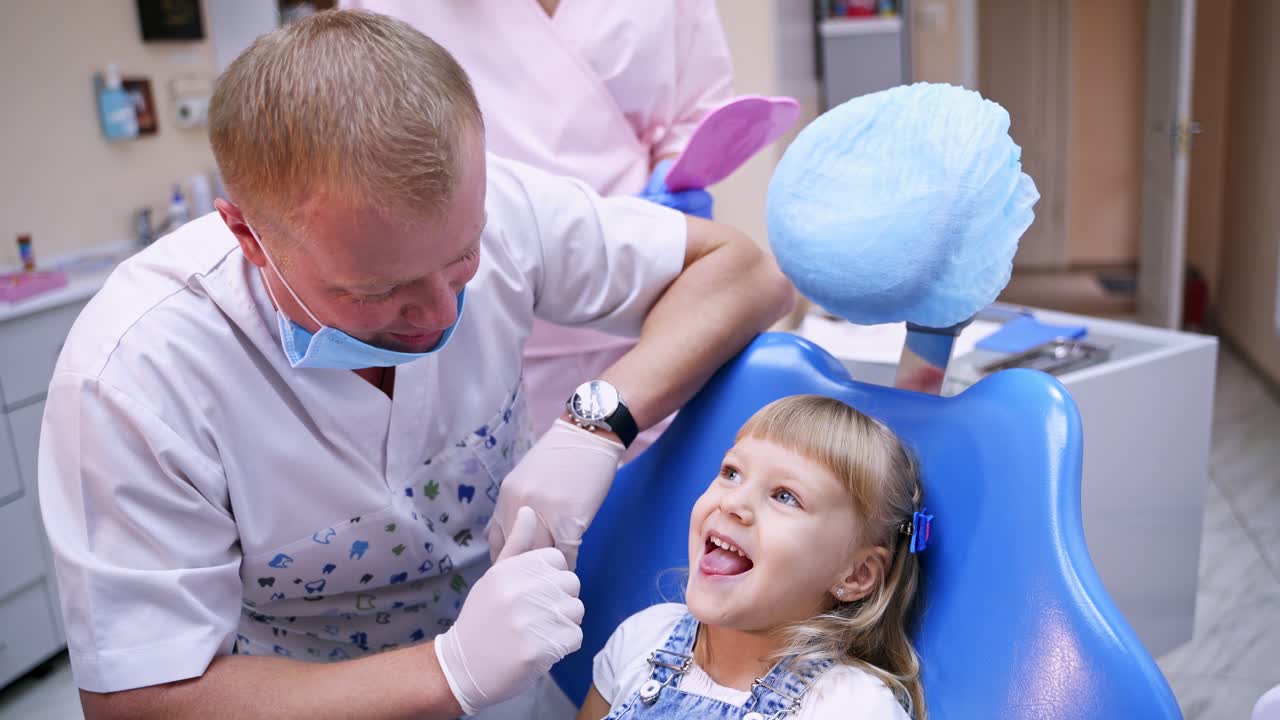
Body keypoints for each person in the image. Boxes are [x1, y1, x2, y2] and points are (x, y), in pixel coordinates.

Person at [38, 10, 793, 719]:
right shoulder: (134, 378)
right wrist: (449, 670)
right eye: (378, 290)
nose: (438, 314)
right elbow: (140, 700)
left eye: (462, 259)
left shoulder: (508, 209)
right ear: (246, 235)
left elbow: (747, 275)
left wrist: (598, 421)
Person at [342, 0, 738, 454]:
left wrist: (676, 172)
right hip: (481, 288)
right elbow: (364, 133)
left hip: (639, 268)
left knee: (647, 487)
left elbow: (701, 105)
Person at [577, 395, 929, 720]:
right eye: (732, 473)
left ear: (856, 575)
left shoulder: (852, 707)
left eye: (785, 496)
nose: (732, 503)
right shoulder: (644, 637)